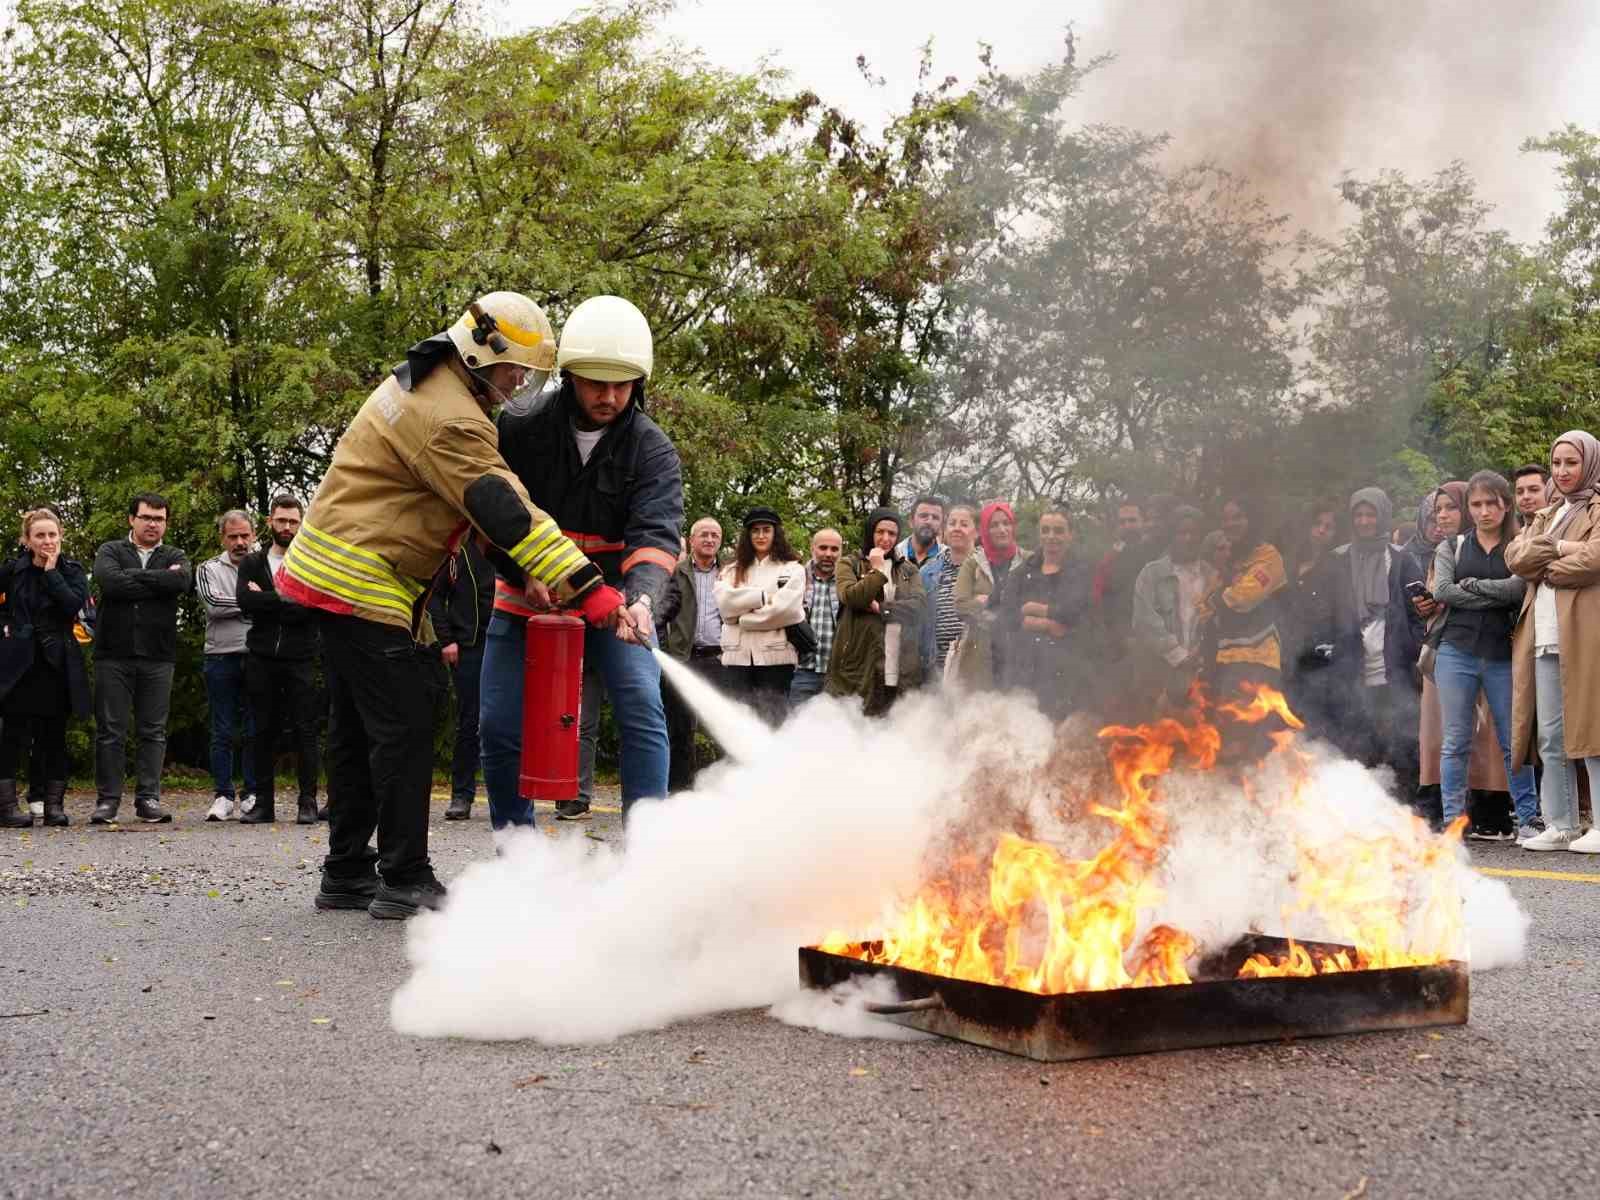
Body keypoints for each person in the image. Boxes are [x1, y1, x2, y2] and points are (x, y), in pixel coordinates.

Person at [278, 291, 627, 918]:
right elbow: (505, 508)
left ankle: (347, 872)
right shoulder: (452, 419)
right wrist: (589, 590)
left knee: (356, 732)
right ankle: (404, 876)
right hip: (364, 581)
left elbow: (462, 513)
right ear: (480, 352)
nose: (520, 381)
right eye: (515, 368)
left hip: (331, 574)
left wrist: (517, 568)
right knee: (409, 722)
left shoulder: (428, 382)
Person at [482, 294, 680, 826]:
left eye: (622, 385)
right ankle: (516, 851)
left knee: (642, 709)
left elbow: (656, 535)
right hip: (524, 594)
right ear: (569, 376)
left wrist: (641, 600)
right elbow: (488, 512)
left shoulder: (652, 449)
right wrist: (522, 571)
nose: (610, 396)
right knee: (500, 724)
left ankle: (649, 855)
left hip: (613, 603)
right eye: (596, 382)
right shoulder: (519, 425)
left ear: (639, 382)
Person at [1430, 471, 1539, 839]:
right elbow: (1444, 590)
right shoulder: (1452, 547)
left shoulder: (1518, 544)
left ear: (1504, 505)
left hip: (1502, 653)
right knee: (1456, 741)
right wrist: (1492, 593)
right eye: (1476, 504)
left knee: (1514, 741)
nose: (1483, 511)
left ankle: (1528, 820)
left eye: (1491, 503)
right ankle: (1452, 822)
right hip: (1455, 651)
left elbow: (1518, 589)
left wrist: (1472, 587)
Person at [1508, 430, 1600, 852]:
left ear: (1589, 463)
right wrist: (1560, 550)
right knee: (1551, 734)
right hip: (1542, 635)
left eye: (1572, 463)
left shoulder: (1597, 506)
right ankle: (1562, 824)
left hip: (1585, 633)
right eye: (1557, 464)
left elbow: (1595, 557)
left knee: (1593, 729)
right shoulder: (1545, 513)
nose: (1563, 472)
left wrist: (1553, 555)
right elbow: (1517, 559)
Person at [91, 493, 190, 824]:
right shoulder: (110, 551)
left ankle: (148, 798)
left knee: (153, 730)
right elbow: (110, 583)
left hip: (158, 656)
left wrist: (133, 577)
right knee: (111, 730)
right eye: (147, 517)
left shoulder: (175, 554)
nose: (153, 523)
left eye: (159, 519)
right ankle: (108, 800)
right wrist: (159, 583)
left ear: (166, 523)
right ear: (131, 519)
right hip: (112, 654)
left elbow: (181, 581)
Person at [1323, 488, 1420, 806]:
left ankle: (1405, 813)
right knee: (1357, 742)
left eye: (1371, 515)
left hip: (1395, 666)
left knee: (1401, 740)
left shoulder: (1402, 559)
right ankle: (1361, 812)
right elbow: (1324, 613)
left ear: (1382, 516)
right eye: (1359, 515)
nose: (1365, 522)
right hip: (1352, 666)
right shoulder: (1337, 559)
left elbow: (1419, 611)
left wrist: (1416, 651)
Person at [0, 511, 90, 829]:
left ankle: (54, 806)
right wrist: (6, 629)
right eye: (40, 536)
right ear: (27, 539)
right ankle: (7, 807)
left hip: (57, 663)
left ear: (61, 536)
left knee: (54, 736)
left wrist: (52, 573)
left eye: (52, 535)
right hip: (18, 665)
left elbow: (72, 606)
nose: (47, 542)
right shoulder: (11, 571)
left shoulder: (73, 571)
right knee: (12, 735)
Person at [239, 495, 322, 826]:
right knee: (262, 730)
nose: (287, 527)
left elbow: (312, 606)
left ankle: (308, 801)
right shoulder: (252, 562)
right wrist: (287, 599)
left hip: (301, 657)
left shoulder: (311, 561)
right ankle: (264, 804)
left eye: (293, 521)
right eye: (281, 520)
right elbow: (245, 602)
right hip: (261, 656)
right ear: (269, 521)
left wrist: (268, 599)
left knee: (306, 730)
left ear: (301, 524)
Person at [990, 506, 1095, 721]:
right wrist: (1046, 624)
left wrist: (1034, 609)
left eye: (1058, 530)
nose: (1051, 536)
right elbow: (1007, 615)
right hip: (1026, 670)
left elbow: (1077, 610)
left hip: (1069, 672)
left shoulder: (1082, 570)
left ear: (1070, 534)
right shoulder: (1023, 571)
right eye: (1045, 530)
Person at [827, 508, 927, 715]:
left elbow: (918, 608)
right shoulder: (849, 563)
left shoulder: (909, 569)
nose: (885, 539)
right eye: (880, 532)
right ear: (870, 532)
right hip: (861, 663)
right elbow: (853, 598)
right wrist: (877, 570)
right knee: (858, 731)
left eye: (892, 534)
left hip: (901, 663)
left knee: (896, 732)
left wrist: (881, 608)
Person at [195, 510, 259, 822]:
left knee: (254, 728)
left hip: (257, 655)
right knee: (222, 729)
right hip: (220, 655)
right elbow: (213, 605)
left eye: (245, 535)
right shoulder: (207, 568)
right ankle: (223, 795)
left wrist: (257, 601)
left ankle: (251, 794)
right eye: (233, 536)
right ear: (223, 538)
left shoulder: (265, 567)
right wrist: (252, 601)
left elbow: (279, 600)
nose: (239, 542)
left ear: (254, 535)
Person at [714, 508, 804, 726]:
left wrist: (743, 618)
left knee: (773, 723)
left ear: (776, 533)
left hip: (776, 659)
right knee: (738, 724)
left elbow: (787, 611)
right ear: (748, 535)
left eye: (766, 530)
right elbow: (725, 607)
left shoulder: (793, 569)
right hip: (737, 658)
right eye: (755, 531)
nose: (761, 536)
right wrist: (763, 597)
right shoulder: (730, 570)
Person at [426, 537, 493, 821]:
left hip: (508, 644)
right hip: (469, 647)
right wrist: (447, 640)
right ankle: (461, 794)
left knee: (510, 723)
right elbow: (435, 597)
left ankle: (511, 795)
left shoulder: (513, 550)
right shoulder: (457, 553)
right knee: (470, 721)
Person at [658, 517, 726, 790]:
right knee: (680, 729)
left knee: (721, 726)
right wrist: (666, 649)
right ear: (692, 539)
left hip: (720, 658)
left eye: (715, 535)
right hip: (683, 658)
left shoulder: (731, 572)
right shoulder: (676, 571)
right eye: (704, 535)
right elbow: (660, 615)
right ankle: (679, 790)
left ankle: (724, 789)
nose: (710, 540)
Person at [1131, 506, 1217, 711]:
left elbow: (1218, 622)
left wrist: (1201, 655)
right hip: (1160, 673)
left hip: (1201, 674)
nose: (1188, 538)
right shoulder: (1152, 574)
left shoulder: (1212, 575)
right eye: (1182, 532)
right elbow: (1144, 622)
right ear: (1172, 536)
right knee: (1157, 737)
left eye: (1194, 533)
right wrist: (1178, 655)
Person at [1207, 497, 1286, 702]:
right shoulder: (1232, 559)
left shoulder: (1268, 556)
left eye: (1238, 517)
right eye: (1225, 519)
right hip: (1225, 660)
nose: (1230, 524)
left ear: (1252, 520)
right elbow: (1202, 605)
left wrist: (1219, 598)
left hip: (1258, 663)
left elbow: (1242, 599)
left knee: (1248, 731)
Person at [1280, 501, 1341, 730]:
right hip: (1284, 655)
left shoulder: (1336, 567)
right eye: (1318, 524)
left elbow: (1341, 611)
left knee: (1312, 722)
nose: (1322, 530)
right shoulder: (1287, 562)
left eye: (1329, 526)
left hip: (1317, 657)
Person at [948, 501, 1019, 689]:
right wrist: (989, 604)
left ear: (1013, 526)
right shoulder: (974, 563)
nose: (1001, 529)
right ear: (985, 530)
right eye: (994, 525)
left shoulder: (1028, 560)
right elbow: (960, 605)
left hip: (1020, 650)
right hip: (980, 651)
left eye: (1006, 523)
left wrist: (985, 600)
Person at [921, 504, 976, 680]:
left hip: (974, 672)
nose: (957, 528)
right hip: (935, 671)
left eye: (964, 524)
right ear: (944, 530)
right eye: (952, 523)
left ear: (977, 532)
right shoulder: (927, 572)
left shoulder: (987, 570)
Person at [790, 528, 843, 705]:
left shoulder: (849, 582)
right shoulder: (796, 578)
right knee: (795, 728)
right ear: (812, 548)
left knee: (837, 730)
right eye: (823, 548)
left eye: (834, 549)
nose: (828, 554)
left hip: (837, 674)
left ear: (841, 552)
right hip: (801, 671)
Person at [1092, 498, 1151, 652]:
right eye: (1122, 522)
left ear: (1144, 522)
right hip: (1119, 642)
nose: (1127, 526)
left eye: (1132, 520)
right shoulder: (1109, 558)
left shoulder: (1155, 554)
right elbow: (1100, 598)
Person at [897, 495, 946, 570]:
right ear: (911, 521)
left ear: (941, 525)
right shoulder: (895, 555)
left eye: (935, 518)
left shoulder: (949, 559)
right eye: (923, 516)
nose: (929, 521)